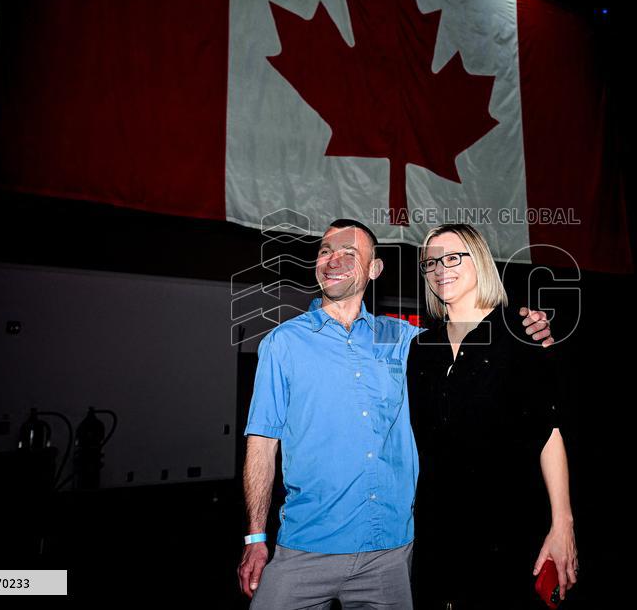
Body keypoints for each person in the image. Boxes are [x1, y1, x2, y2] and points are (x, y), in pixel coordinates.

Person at [237, 219, 553, 609]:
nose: (333, 259)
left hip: (390, 552)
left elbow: (468, 335)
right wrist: (255, 538)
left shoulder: (404, 339)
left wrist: (525, 323)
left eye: (349, 253)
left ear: (375, 269)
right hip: (304, 547)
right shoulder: (283, 343)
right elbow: (262, 441)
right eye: (324, 251)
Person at [407, 223, 579, 608]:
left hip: (507, 531)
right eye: (431, 262)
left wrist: (562, 523)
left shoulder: (521, 332)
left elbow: (548, 433)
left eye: (453, 257)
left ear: (480, 261)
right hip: (437, 533)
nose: (440, 268)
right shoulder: (422, 347)